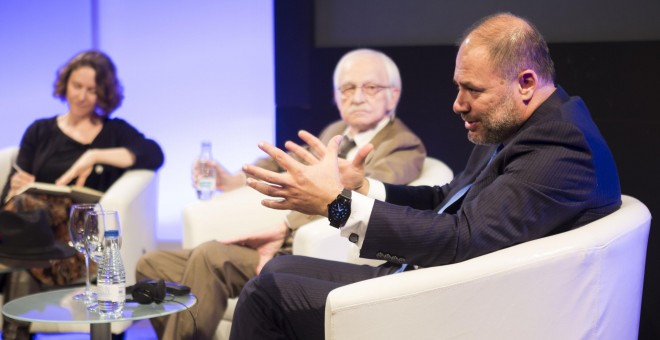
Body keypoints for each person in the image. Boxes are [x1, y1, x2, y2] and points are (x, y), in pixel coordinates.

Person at [229, 12, 622, 340]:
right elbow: (447, 198)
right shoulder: (522, 125)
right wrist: (360, 188)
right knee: (277, 271)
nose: (457, 104)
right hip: (434, 283)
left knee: (267, 294)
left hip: (456, 309)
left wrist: (337, 205)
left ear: (526, 82)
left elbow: (462, 239)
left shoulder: (561, 147)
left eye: (473, 90)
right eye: (457, 87)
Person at [135, 48, 427, 340]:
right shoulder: (335, 131)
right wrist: (231, 178)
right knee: (152, 265)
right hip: (282, 240)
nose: (359, 97)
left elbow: (370, 196)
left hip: (315, 251)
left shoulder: (401, 144)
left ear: (394, 94)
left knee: (211, 257)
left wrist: (288, 226)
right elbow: (278, 161)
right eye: (348, 88)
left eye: (372, 87)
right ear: (336, 97)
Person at [0, 50, 164, 340]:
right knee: (25, 211)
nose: (82, 96)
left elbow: (153, 153)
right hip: (40, 233)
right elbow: (19, 180)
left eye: (92, 90)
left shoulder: (115, 132)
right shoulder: (40, 131)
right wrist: (16, 187)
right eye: (77, 86)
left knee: (23, 255)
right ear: (65, 84)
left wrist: (95, 154)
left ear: (104, 94)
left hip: (81, 240)